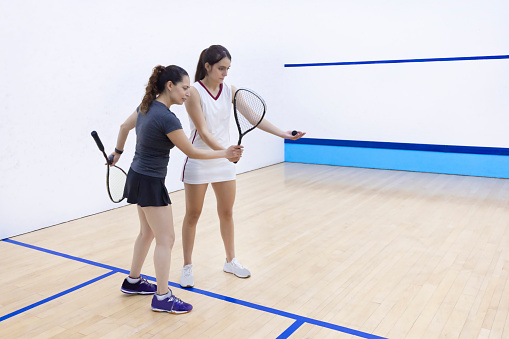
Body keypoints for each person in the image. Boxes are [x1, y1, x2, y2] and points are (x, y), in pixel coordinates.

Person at [110, 64, 243, 314]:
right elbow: (192, 151)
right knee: (166, 239)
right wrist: (224, 153)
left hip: (137, 175)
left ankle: (133, 281)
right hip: (150, 181)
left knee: (146, 233)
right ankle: (162, 297)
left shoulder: (145, 107)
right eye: (184, 88)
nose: (187, 93)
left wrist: (117, 153)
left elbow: (123, 127)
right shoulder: (166, 117)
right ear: (169, 86)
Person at [179, 45, 305, 288]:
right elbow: (203, 132)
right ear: (207, 67)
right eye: (221, 68)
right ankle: (187, 266)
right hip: (200, 159)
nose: (225, 73)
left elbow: (253, 118)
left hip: (224, 160)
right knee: (193, 215)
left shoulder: (231, 90)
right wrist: (224, 152)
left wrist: (283, 133)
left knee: (226, 213)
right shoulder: (193, 92)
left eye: (228, 69)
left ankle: (230, 260)